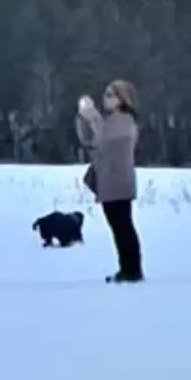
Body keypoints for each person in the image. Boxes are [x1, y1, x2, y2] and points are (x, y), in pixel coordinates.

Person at [76, 79, 143, 283]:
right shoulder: (111, 120)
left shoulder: (124, 121)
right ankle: (127, 268)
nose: (105, 99)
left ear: (121, 99)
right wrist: (84, 117)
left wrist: (91, 115)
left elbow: (101, 138)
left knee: (123, 226)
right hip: (110, 180)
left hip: (118, 181)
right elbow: (90, 140)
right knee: (119, 227)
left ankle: (132, 270)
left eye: (109, 95)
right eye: (105, 94)